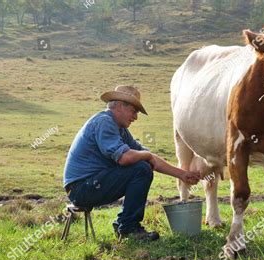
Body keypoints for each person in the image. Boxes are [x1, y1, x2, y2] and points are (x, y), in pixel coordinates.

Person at [63, 85, 200, 241]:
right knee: (141, 168)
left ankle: (124, 223)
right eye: (134, 111)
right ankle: (128, 227)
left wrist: (183, 174)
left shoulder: (119, 129)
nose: (135, 117)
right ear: (121, 105)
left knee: (143, 165)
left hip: (88, 185)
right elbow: (125, 158)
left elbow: (150, 158)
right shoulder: (104, 122)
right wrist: (146, 156)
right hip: (81, 188)